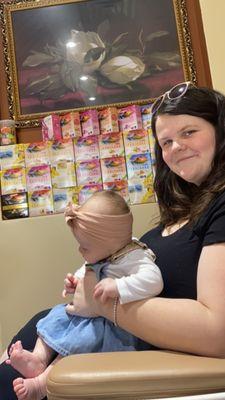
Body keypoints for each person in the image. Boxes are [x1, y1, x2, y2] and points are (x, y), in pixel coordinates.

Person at [1, 82, 225, 399]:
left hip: (109, 345)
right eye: (166, 141)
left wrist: (102, 305)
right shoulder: (184, 211)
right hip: (72, 332)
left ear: (220, 130)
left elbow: (217, 332)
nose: (175, 148)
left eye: (189, 132)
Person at [4, 190, 163, 400]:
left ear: (110, 240)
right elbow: (87, 268)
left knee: (76, 346)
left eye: (85, 246)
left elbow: (154, 281)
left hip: (112, 326)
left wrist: (118, 287)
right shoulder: (105, 251)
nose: (80, 250)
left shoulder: (134, 256)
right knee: (53, 319)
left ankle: (42, 385)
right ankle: (38, 358)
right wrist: (75, 283)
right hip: (88, 315)